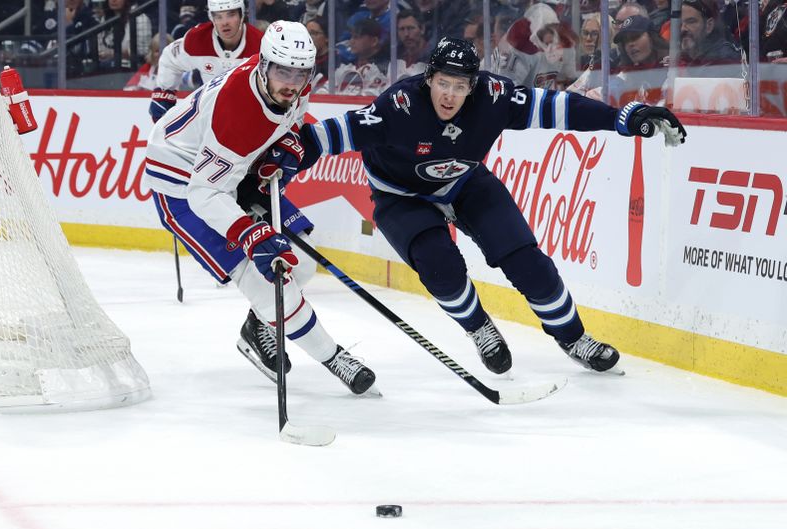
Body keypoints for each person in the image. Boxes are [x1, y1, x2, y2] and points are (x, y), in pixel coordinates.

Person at [295, 37, 686, 374]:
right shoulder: (399, 105)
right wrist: (279, 159)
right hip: (400, 196)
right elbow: (328, 136)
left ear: (473, 85)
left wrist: (622, 118)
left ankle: (574, 338)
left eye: (460, 85)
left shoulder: (493, 97)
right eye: (442, 83)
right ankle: (479, 326)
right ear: (428, 79)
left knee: (528, 263)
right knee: (441, 268)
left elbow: (557, 108)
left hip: (465, 182)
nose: (450, 94)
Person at [143, 21, 377, 395]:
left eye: (301, 73)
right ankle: (334, 358)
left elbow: (291, 124)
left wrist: (287, 147)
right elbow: (205, 194)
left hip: (228, 172)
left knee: (300, 267)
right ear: (263, 65)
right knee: (266, 283)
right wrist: (251, 234)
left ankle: (258, 329)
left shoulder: (294, 86)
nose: (292, 82)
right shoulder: (237, 112)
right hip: (182, 186)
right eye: (283, 71)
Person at [149, 0, 264, 123]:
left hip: (249, 118)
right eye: (218, 16)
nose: (224, 22)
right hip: (209, 118)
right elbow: (170, 58)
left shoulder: (260, 45)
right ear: (211, 17)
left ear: (241, 15)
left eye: (231, 15)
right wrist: (164, 92)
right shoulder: (197, 39)